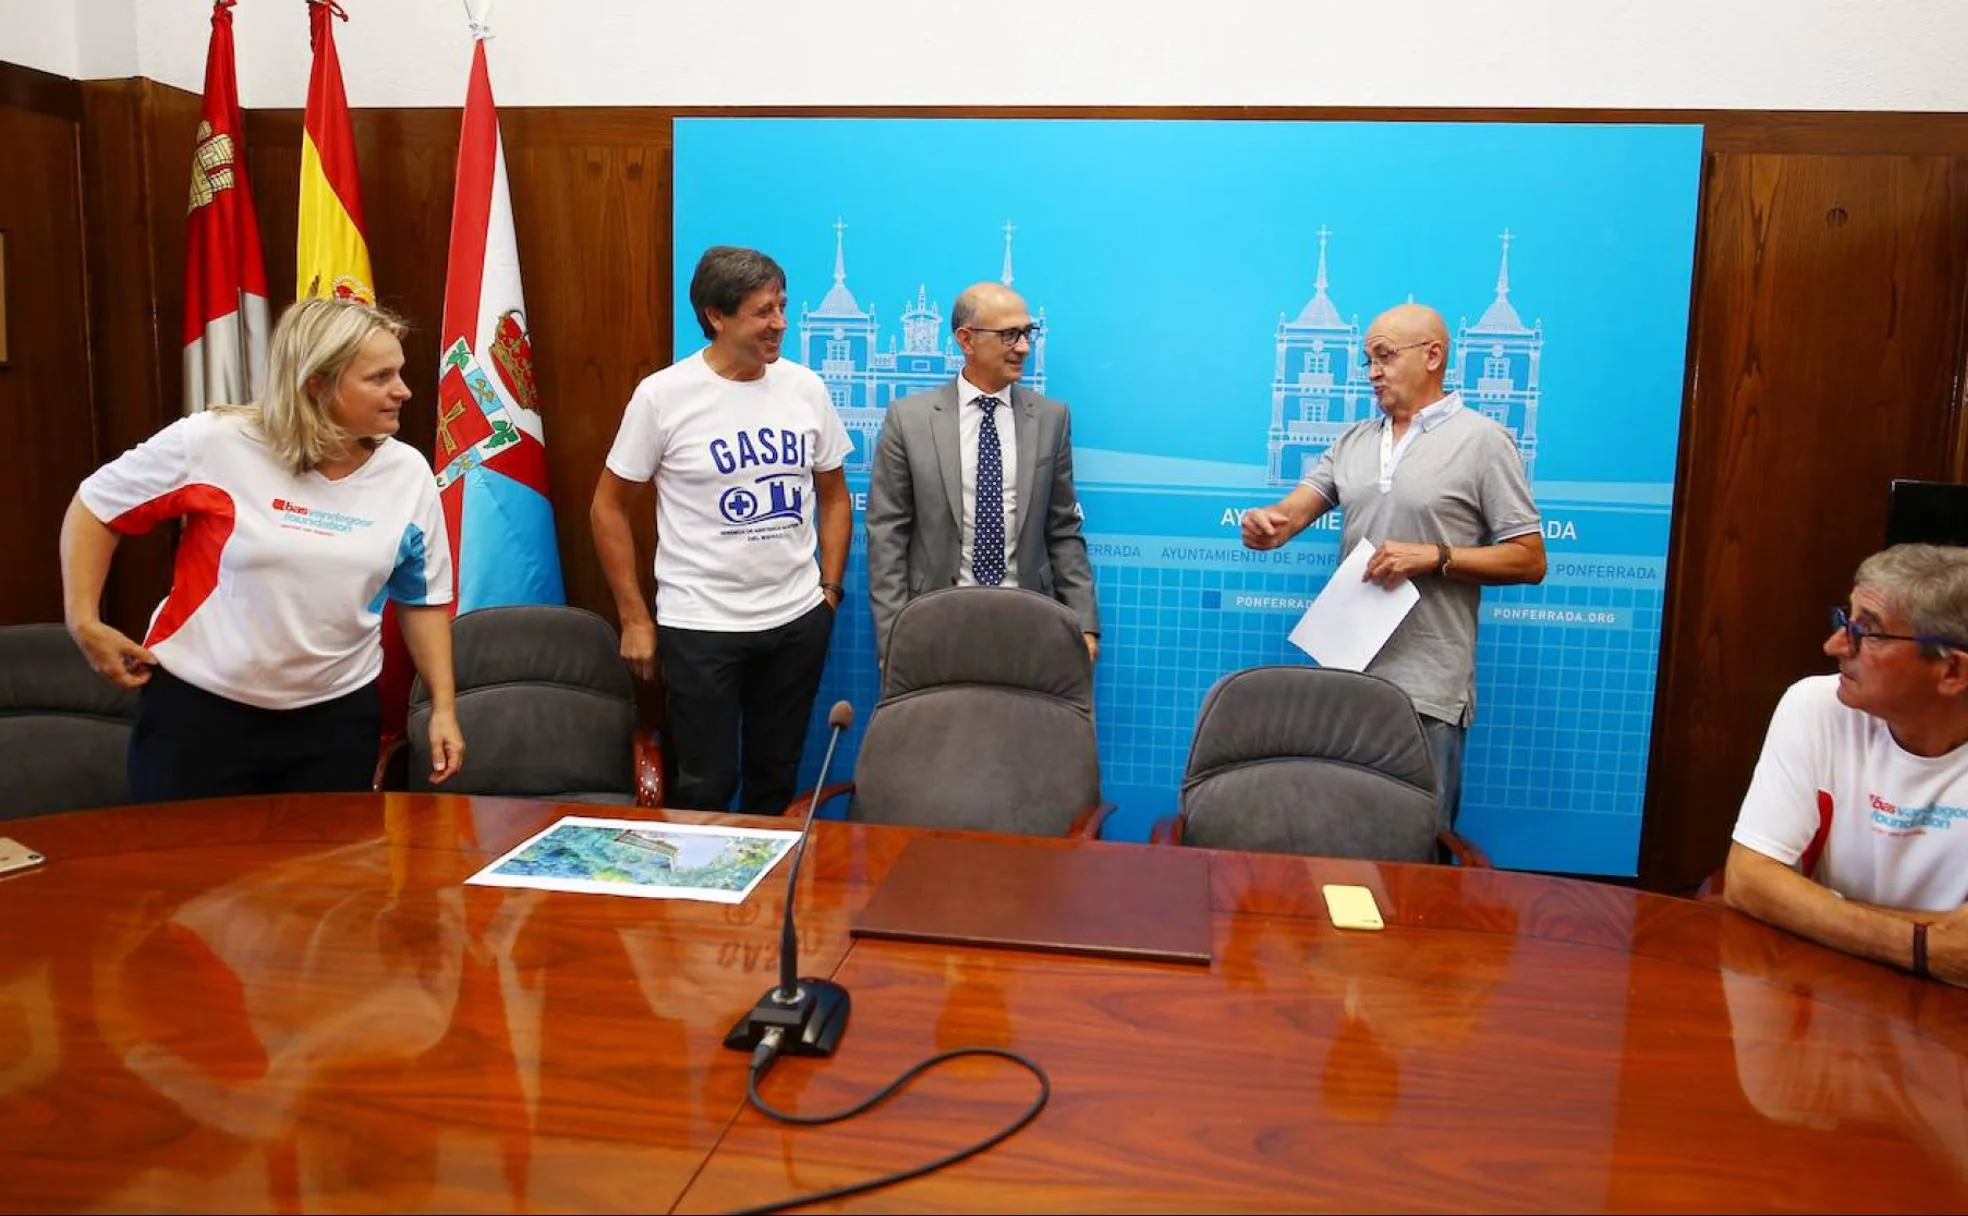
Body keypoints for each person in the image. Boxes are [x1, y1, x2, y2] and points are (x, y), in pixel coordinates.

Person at [59, 296, 463, 801]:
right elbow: (97, 505)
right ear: (316, 383)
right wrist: (84, 621)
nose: (403, 391)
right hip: (200, 713)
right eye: (379, 378)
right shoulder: (214, 442)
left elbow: (421, 598)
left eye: (398, 373)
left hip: (334, 720)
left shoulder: (407, 473)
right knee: (189, 875)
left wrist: (443, 706)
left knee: (323, 879)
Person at [1240, 302, 1545, 827]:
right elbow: (1292, 513)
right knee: (1338, 839)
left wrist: (1436, 557)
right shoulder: (1353, 440)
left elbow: (1529, 557)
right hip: (1346, 681)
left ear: (1433, 356)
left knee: (1417, 854)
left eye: (1384, 356)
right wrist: (1267, 525)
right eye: (1368, 360)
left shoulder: (1483, 441)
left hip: (1427, 693)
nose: (1372, 372)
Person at [591, 245, 851, 812]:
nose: (780, 323)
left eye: (782, 306)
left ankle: (763, 900)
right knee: (705, 783)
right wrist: (635, 617)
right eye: (764, 311)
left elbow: (833, 494)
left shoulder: (804, 387)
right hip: (700, 625)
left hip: (794, 621)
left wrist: (827, 592)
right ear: (716, 316)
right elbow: (608, 507)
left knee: (775, 778)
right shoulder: (663, 396)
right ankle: (698, 903)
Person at [1723, 544, 1968, 988]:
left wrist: (1810, 908)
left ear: (1952, 671)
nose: (1834, 645)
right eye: (1845, 621)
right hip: (1822, 988)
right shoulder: (1816, 706)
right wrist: (1922, 945)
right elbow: (1748, 881)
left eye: (1869, 633)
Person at [866, 281, 1099, 666]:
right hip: (934, 623)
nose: (1024, 346)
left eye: (1027, 333)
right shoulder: (909, 420)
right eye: (1010, 335)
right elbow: (887, 537)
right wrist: (894, 636)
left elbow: (1063, 531)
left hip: (1028, 620)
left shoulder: (1050, 419)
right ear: (966, 339)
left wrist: (1085, 624)